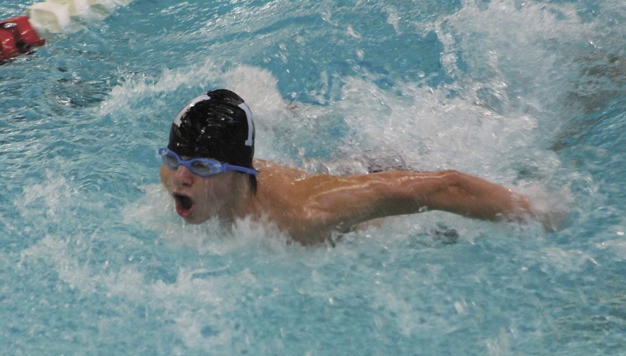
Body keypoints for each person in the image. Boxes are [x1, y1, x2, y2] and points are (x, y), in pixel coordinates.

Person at [159, 89, 541, 245]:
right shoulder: (178, 177)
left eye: (202, 165)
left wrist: (537, 210)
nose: (182, 176)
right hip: (335, 172)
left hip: (386, 211)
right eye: (175, 160)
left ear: (240, 170)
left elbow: (445, 186)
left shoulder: (303, 216)